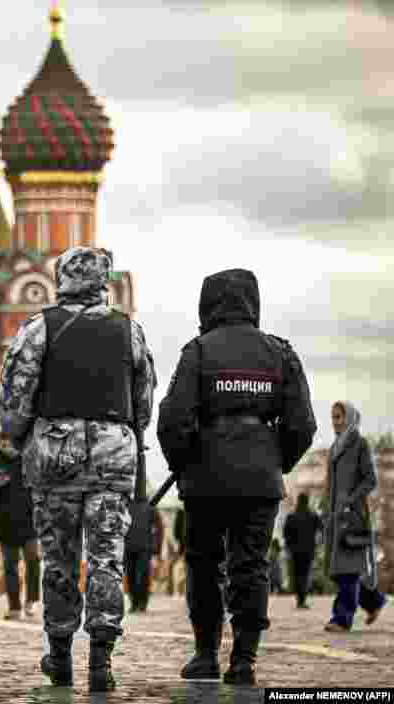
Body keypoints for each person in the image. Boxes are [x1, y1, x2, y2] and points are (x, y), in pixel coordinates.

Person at [0, 247, 157, 692]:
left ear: (61, 278)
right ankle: (102, 660)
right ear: (102, 280)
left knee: (58, 557)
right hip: (113, 457)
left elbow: (14, 399)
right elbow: (143, 403)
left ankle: (61, 654)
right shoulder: (130, 331)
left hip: (55, 457)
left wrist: (18, 435)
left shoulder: (38, 328)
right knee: (106, 557)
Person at [158, 268, 316, 686]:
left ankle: (205, 654)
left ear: (207, 304)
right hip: (260, 478)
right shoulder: (280, 352)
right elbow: (302, 423)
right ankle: (244, 659)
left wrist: (184, 460)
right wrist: (274, 459)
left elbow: (173, 419)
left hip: (205, 478)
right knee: (252, 565)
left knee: (205, 565)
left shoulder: (199, 351)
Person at [323, 401, 386, 633]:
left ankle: (342, 618)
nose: (335, 422)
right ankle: (374, 601)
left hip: (352, 518)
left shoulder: (359, 444)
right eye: (333, 417)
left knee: (347, 569)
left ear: (349, 418)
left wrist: (350, 499)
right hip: (335, 518)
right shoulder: (334, 448)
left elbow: (371, 480)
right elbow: (330, 485)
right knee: (340, 572)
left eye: (339, 417)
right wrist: (326, 511)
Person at [0, 433, 40, 620]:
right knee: (10, 566)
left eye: (9, 440)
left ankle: (31, 600)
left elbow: (39, 484)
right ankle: (14, 606)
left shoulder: (28, 457)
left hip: (30, 520)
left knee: (33, 560)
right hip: (6, 522)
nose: (5, 444)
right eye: (2, 441)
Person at [283, 493, 322, 609]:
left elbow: (286, 534)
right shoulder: (313, 516)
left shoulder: (291, 516)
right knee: (305, 574)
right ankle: (302, 599)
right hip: (308, 549)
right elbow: (321, 528)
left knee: (296, 574)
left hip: (294, 550)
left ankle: (299, 599)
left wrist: (289, 545)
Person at [124, 490, 158, 613]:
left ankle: (142, 602)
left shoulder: (150, 507)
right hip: (129, 547)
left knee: (141, 575)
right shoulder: (126, 506)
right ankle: (134, 602)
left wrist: (155, 547)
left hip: (144, 548)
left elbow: (158, 528)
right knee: (131, 576)